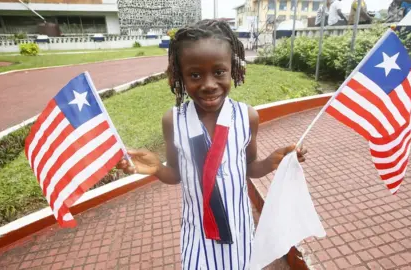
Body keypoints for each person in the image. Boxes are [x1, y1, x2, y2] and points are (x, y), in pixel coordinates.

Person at [116, 19, 307, 269]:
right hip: (197, 234)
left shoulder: (246, 117)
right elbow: (175, 174)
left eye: (219, 72)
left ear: (233, 70)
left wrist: (271, 162)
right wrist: (156, 168)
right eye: (195, 75)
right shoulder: (174, 120)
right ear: (179, 76)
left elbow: (249, 166)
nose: (208, 85)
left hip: (239, 231)